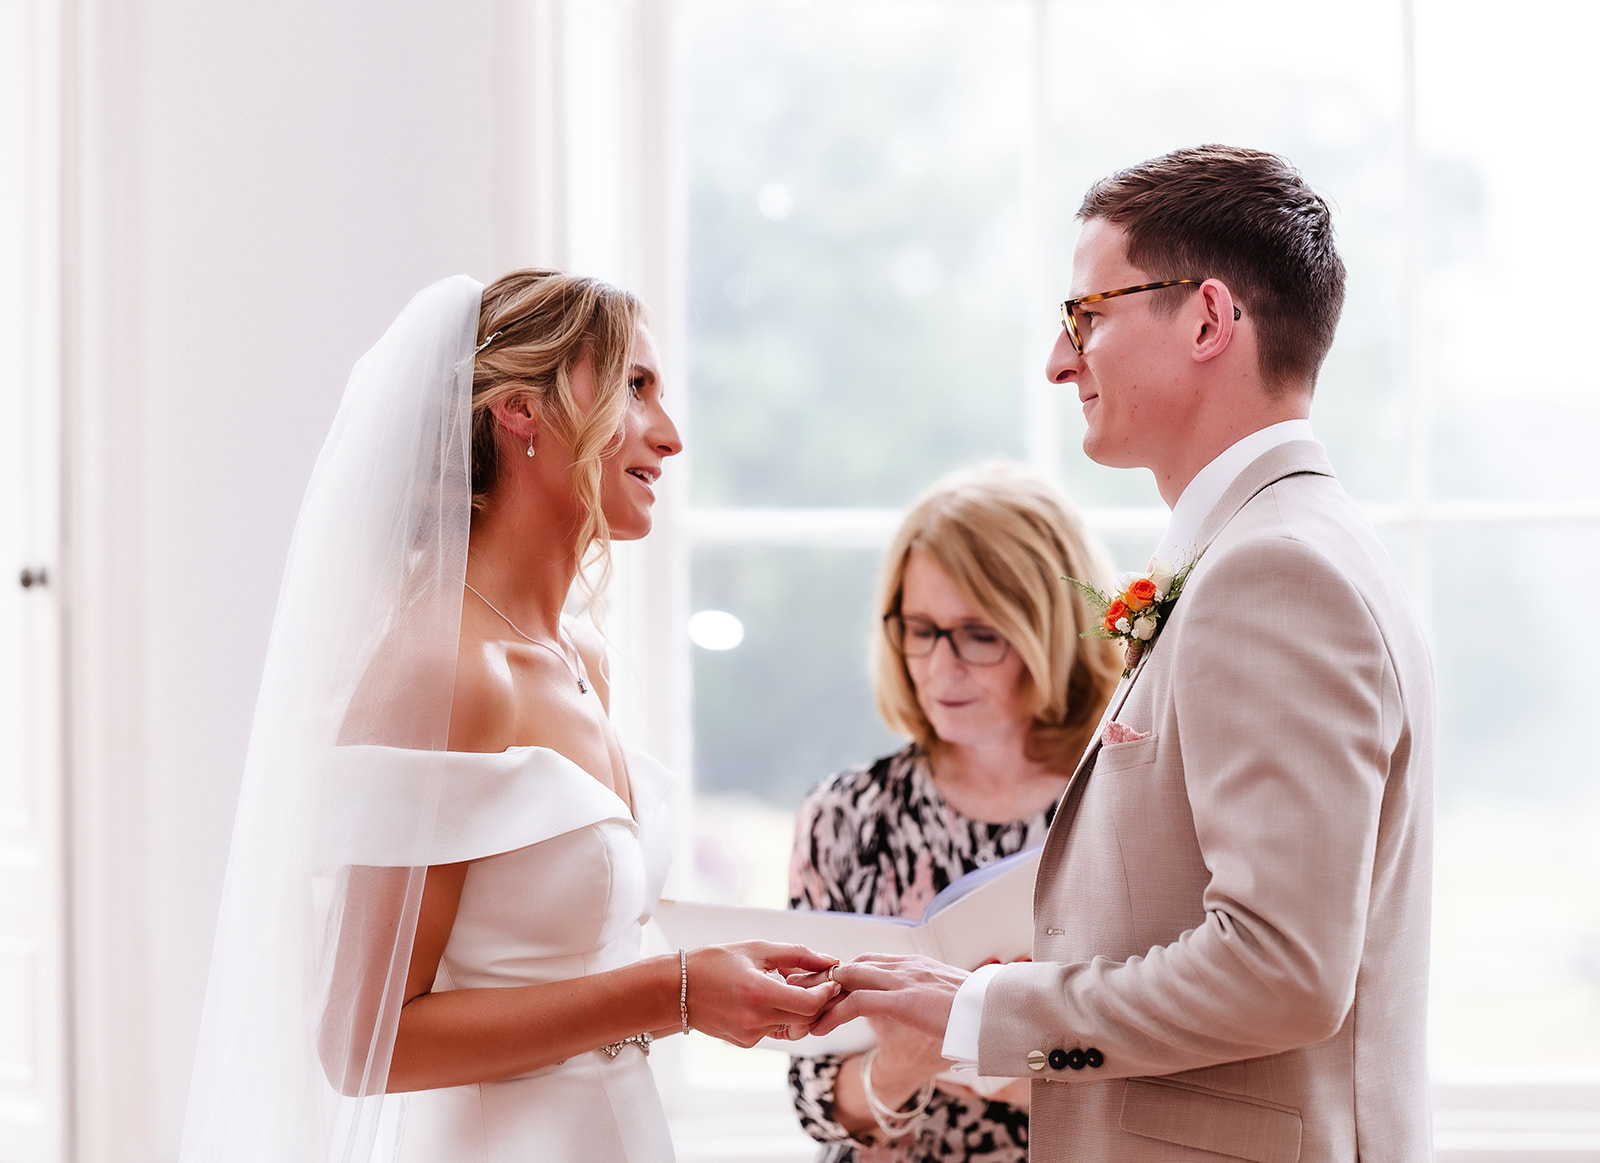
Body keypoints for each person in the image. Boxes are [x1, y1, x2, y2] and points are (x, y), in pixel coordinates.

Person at [812, 145, 1436, 1160]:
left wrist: (979, 1009)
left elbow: (1281, 966)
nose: (1060, 361)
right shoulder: (1270, 546)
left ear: (1205, 318)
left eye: (1086, 316)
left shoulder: (1276, 571)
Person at [179, 270, 837, 1163]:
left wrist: (723, 976)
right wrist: (675, 995)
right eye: (634, 388)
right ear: (521, 411)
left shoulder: (580, 658)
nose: (670, 437)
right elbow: (360, 1041)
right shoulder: (439, 672)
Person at [786, 463, 1121, 1162]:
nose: (941, 667)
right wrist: (904, 1060)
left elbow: (1163, 1065)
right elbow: (816, 1095)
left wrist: (981, 1039)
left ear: (1047, 631)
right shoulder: (846, 814)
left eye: (978, 633)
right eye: (920, 628)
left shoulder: (1117, 807)